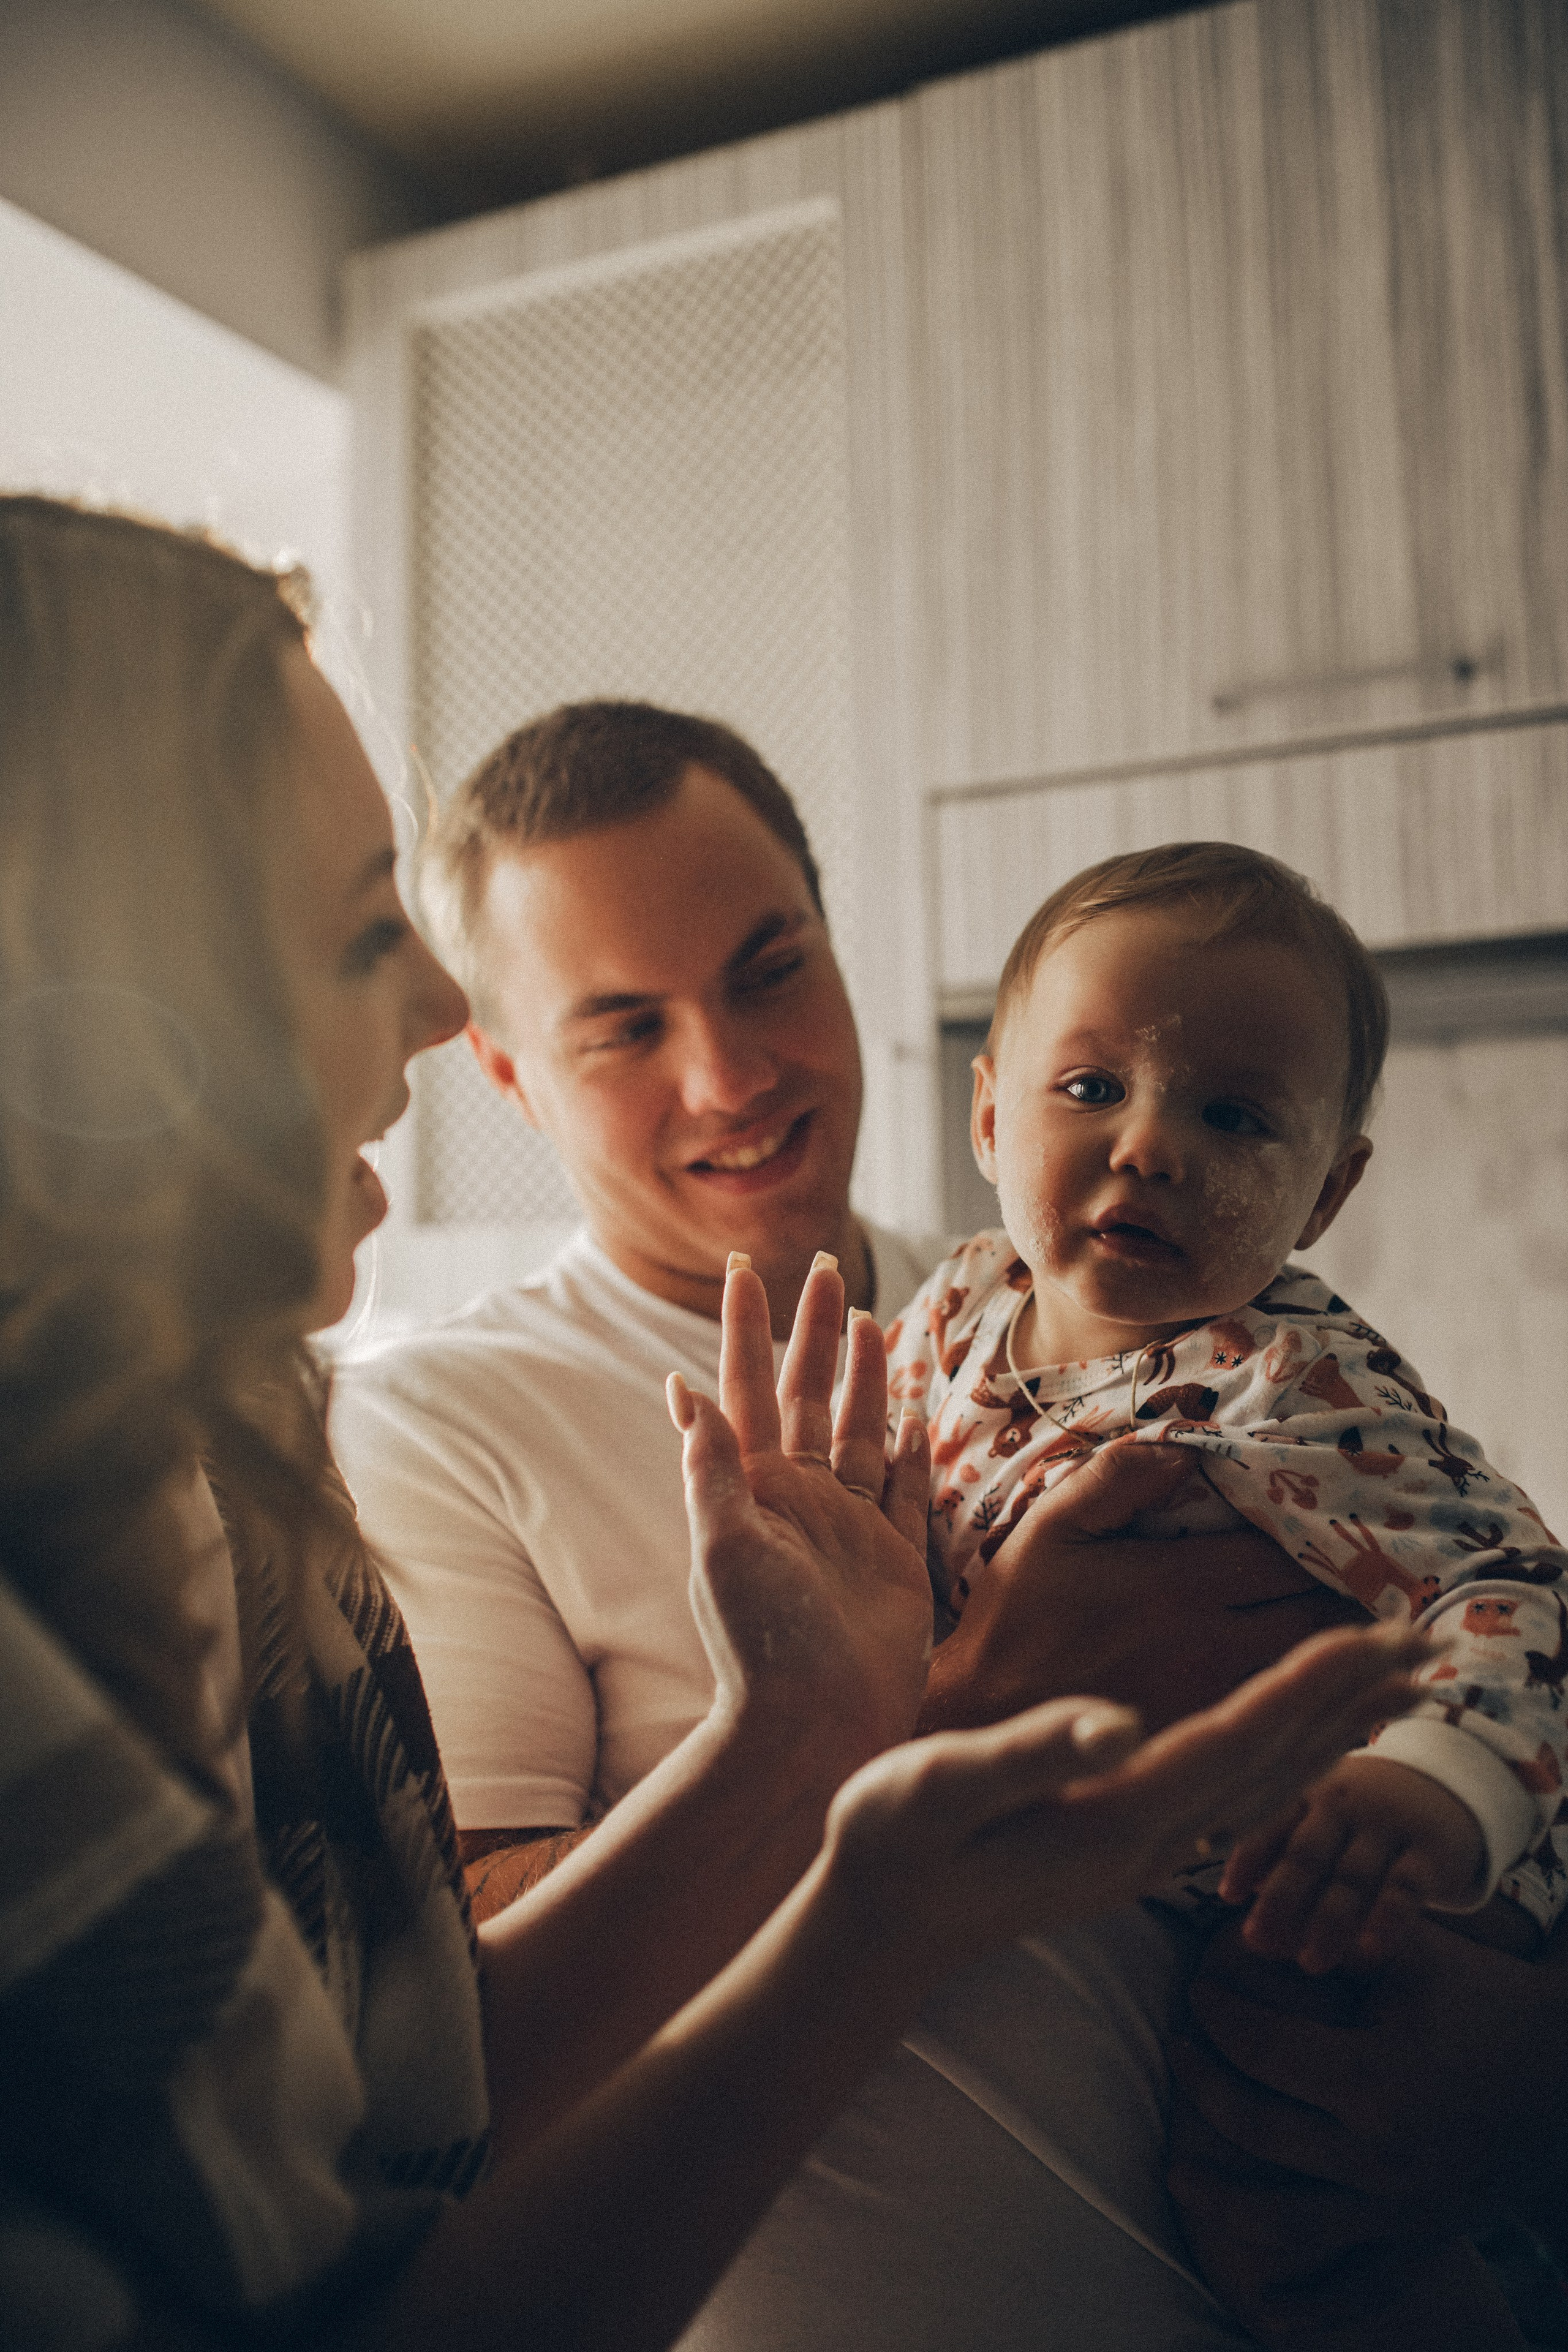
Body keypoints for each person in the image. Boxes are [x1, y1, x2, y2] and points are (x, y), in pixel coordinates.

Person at [0, 494, 1421, 2352]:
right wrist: (933, 1733)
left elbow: (386, 2110)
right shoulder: (406, 1430)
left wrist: (1501, 2071)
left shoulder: (1098, 1303)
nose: (733, 1076)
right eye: (367, 944)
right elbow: (409, 2203)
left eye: (771, 970)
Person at [891, 842, 1568, 1971]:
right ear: (992, 1117)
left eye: (1236, 1117)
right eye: (1093, 1088)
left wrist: (1434, 1785)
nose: (1151, 1145)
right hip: (1149, 1906)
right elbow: (874, 1505)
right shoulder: (953, 1305)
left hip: (1377, 1890)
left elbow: (1517, 1592)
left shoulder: (1295, 1380)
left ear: (1326, 1194)